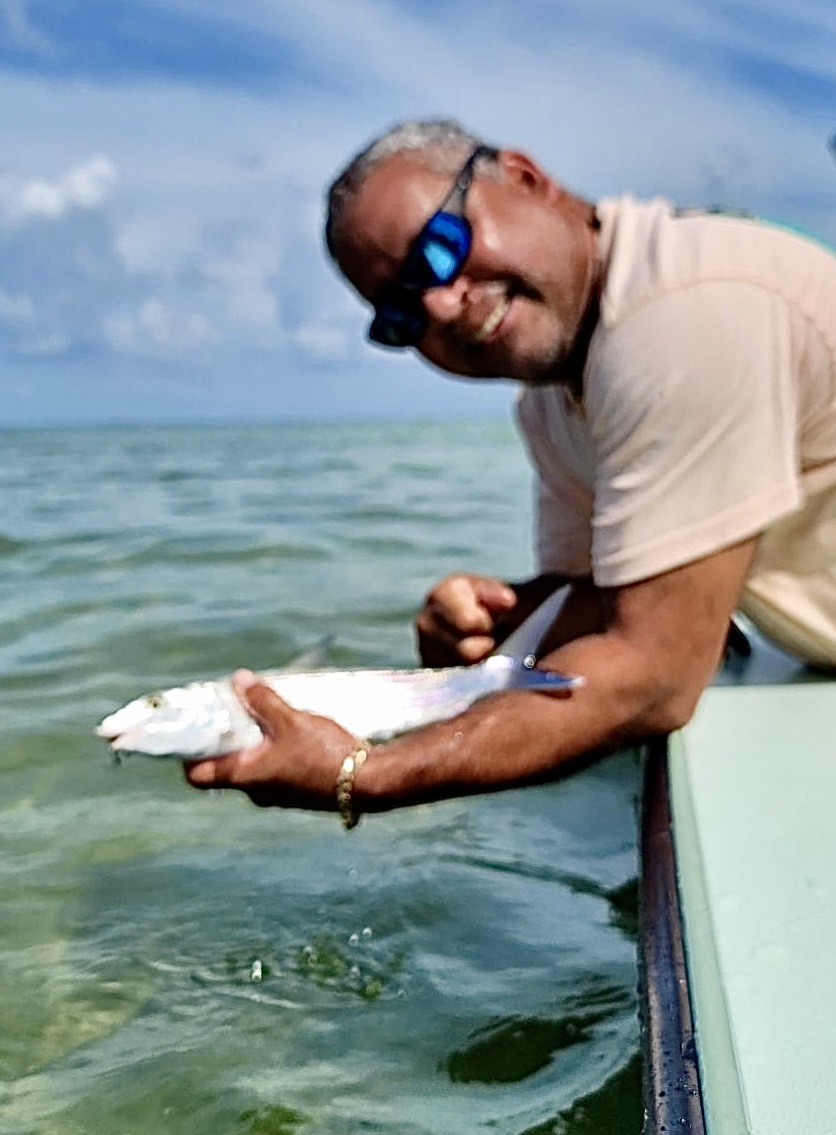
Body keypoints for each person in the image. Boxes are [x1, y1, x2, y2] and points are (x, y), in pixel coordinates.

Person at [185, 118, 836, 823]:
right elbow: (598, 599)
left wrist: (360, 774)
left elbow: (655, 677)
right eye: (400, 315)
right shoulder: (551, 404)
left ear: (526, 178)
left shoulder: (684, 314)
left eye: (439, 250)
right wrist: (506, 614)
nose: (439, 303)